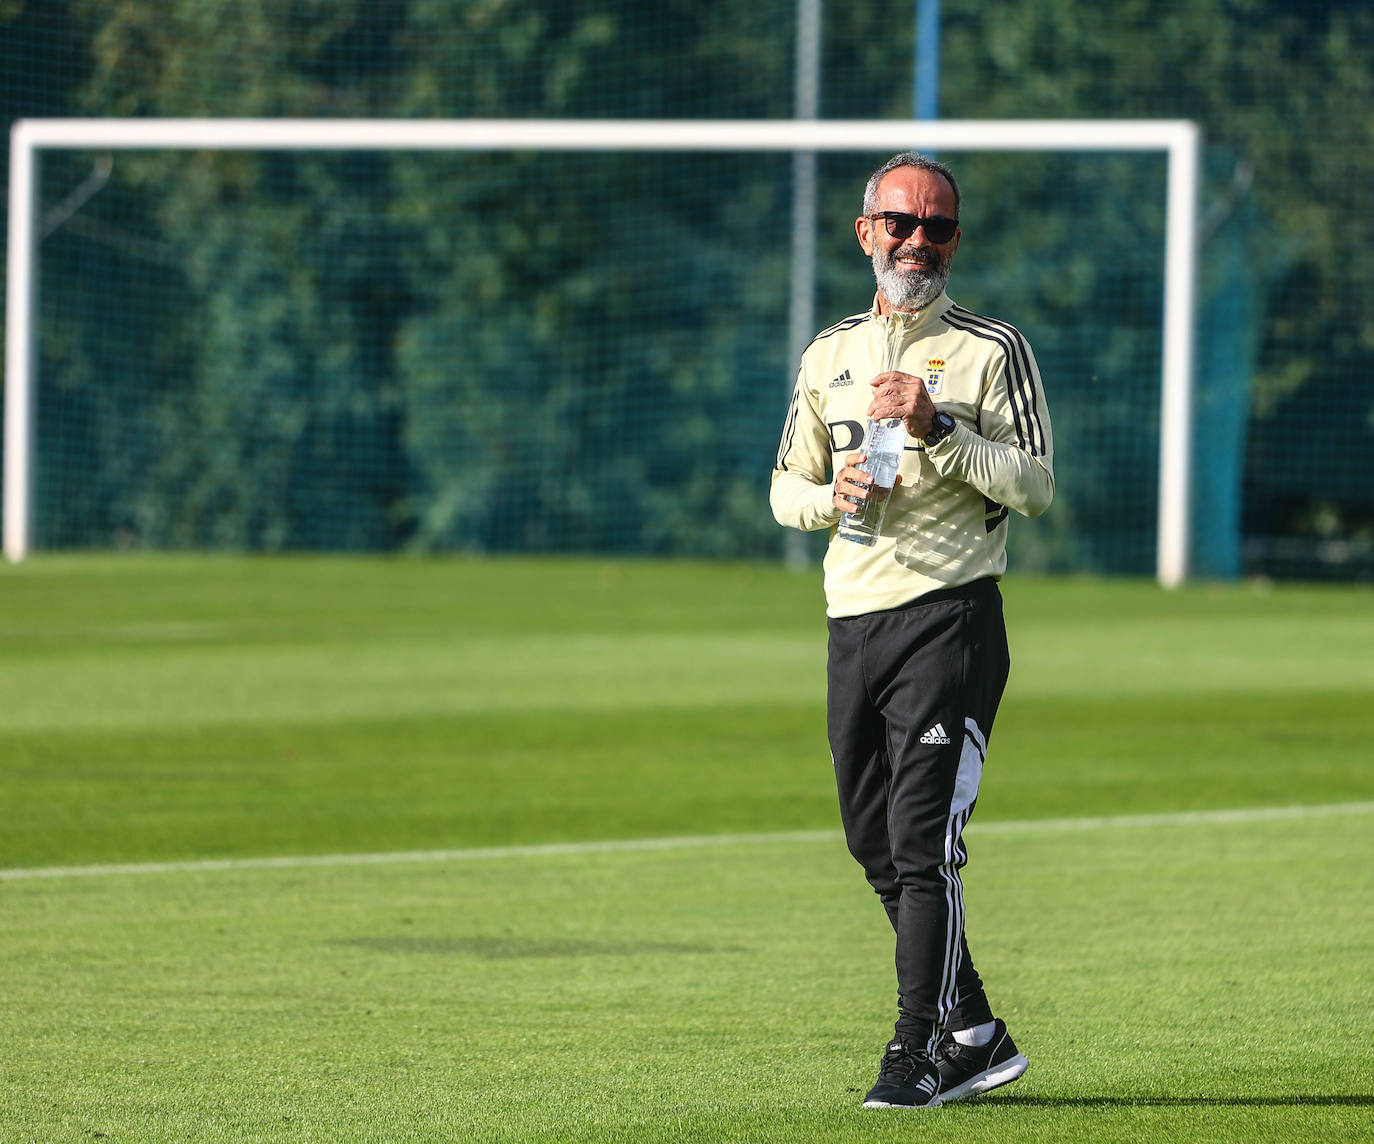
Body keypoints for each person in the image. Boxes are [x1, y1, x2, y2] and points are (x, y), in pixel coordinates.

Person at [770, 152, 1053, 1109]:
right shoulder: (829, 354)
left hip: (952, 619)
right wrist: (829, 497)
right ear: (866, 233)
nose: (919, 243)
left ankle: (919, 1048)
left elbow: (1036, 486)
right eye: (901, 223)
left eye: (938, 227)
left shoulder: (991, 349)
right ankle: (976, 1029)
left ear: (956, 240)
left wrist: (939, 429)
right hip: (853, 621)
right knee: (873, 843)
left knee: (924, 839)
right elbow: (784, 487)